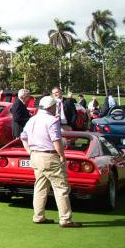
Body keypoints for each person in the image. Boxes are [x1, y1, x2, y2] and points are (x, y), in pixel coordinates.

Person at [20, 96, 81, 227]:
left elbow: (23, 137)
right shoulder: (52, 120)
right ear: (51, 107)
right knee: (61, 188)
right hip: (49, 156)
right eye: (55, 106)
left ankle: (38, 216)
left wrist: (29, 151)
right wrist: (62, 156)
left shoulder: (32, 119)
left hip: (35, 156)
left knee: (40, 186)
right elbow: (56, 141)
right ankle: (65, 219)